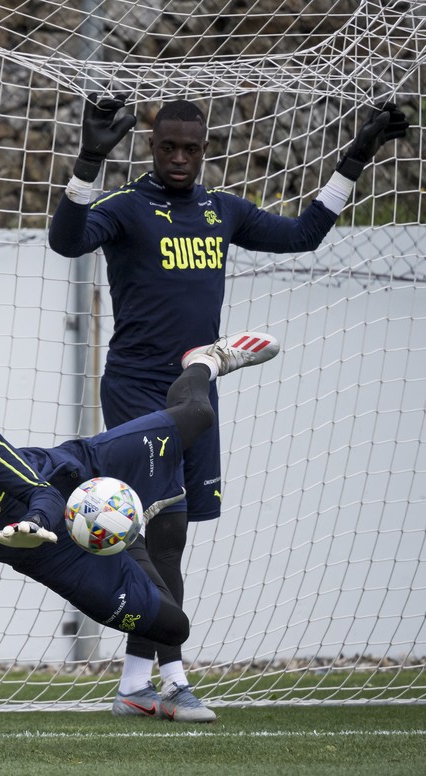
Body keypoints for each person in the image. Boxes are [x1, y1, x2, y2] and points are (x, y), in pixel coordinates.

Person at [48, 94, 409, 722]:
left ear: (205, 148)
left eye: (191, 149)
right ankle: (174, 678)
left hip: (196, 387)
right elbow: (65, 241)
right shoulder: (128, 209)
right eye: (168, 147)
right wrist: (87, 162)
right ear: (151, 146)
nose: (180, 159)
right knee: (152, 533)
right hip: (136, 391)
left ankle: (134, 683)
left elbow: (304, 235)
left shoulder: (221, 211)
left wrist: (356, 156)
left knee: (170, 538)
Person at [0, 342, 275, 706]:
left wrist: (33, 523)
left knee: (198, 414)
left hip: (83, 471)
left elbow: (40, 492)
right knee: (174, 627)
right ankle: (133, 676)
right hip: (58, 560)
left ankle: (203, 361)